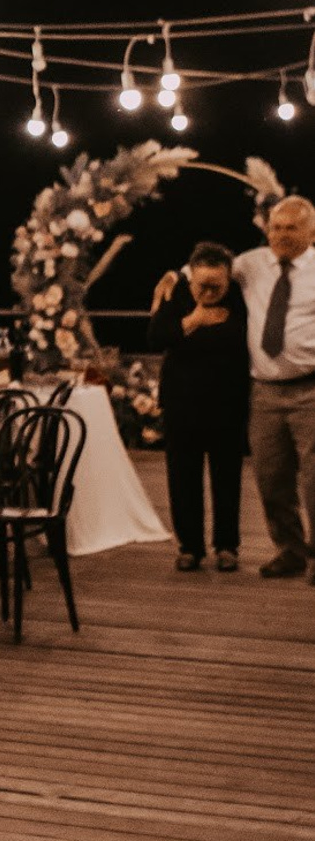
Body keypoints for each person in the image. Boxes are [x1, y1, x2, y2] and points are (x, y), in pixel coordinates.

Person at [148, 242, 248, 571]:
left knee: (227, 479)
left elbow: (237, 336)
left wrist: (187, 336)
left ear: (228, 279)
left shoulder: (239, 294)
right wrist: (194, 320)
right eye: (200, 285)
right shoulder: (175, 291)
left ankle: (226, 546)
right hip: (181, 404)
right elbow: (155, 336)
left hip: (228, 405)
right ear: (190, 277)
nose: (207, 291)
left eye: (215, 286)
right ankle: (189, 547)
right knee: (182, 478)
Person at [231, 193, 315, 577]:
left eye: (291, 227)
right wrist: (175, 275)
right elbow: (207, 271)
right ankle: (290, 550)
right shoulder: (250, 264)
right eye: (275, 227)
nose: (281, 234)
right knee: (270, 477)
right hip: (264, 392)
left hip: (311, 390)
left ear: (311, 232)